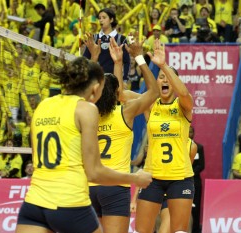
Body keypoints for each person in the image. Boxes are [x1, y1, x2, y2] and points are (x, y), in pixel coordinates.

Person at [15, 56, 152, 233]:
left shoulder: (43, 105)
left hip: (34, 204)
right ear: (95, 88)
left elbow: (36, 157)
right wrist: (135, 178)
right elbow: (94, 172)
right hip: (69, 202)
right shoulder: (86, 109)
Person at [84, 33, 159, 233]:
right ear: (117, 94)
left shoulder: (87, 112)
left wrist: (95, 58)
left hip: (88, 186)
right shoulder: (125, 112)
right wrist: (139, 57)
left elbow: (89, 90)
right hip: (115, 187)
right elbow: (153, 92)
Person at [134, 41, 194, 233]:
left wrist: (163, 66)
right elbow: (121, 94)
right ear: (156, 82)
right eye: (161, 77)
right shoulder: (150, 105)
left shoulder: (183, 105)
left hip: (180, 177)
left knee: (178, 231)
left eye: (169, 77)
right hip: (152, 176)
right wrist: (136, 58)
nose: (165, 80)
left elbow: (183, 92)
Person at [83, 8, 130, 82]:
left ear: (111, 20)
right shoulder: (93, 38)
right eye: (99, 18)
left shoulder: (122, 39)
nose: (101, 20)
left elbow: (126, 62)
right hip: (96, 80)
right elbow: (85, 59)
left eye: (104, 17)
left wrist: (124, 80)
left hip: (115, 81)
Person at [189, 125, 205, 233]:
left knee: (195, 207)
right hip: (180, 180)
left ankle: (194, 230)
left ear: (193, 134)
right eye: (187, 131)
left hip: (195, 180)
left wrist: (190, 173)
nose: (189, 134)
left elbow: (201, 165)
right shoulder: (179, 147)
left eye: (191, 132)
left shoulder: (199, 147)